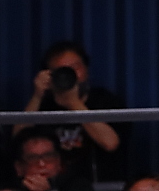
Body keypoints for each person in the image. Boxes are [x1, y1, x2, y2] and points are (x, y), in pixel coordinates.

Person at [16, 41, 129, 183]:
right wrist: (37, 96)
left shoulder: (106, 101)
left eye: (75, 67)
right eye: (61, 70)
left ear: (86, 69)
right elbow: (18, 141)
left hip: (99, 185)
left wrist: (73, 103)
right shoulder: (43, 104)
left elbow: (110, 143)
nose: (70, 75)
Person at [0, 128, 92, 191]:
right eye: (32, 158)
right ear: (19, 167)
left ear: (59, 161)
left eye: (48, 156)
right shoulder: (9, 187)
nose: (42, 164)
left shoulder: (78, 186)